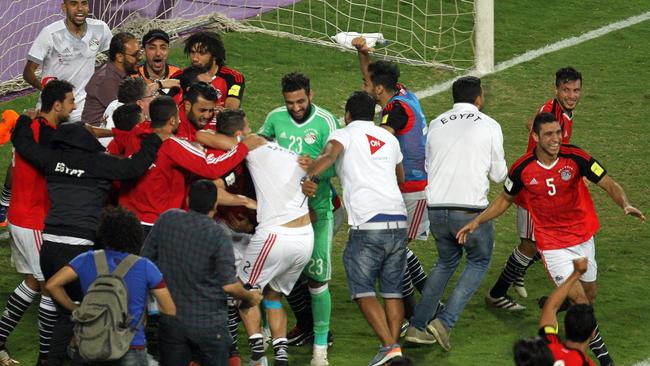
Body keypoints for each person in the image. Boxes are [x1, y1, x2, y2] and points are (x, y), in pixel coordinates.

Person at [457, 112, 645, 366]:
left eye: (558, 132)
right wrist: (477, 221)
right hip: (553, 244)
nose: (556, 139)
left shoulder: (575, 157)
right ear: (535, 137)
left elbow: (607, 182)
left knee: (589, 298)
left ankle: (559, 302)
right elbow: (505, 199)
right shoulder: (522, 168)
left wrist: (625, 203)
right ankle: (605, 360)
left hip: (582, 237)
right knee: (581, 302)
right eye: (549, 134)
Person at [11, 108, 164, 366]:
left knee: (62, 315)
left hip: (49, 250)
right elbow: (135, 167)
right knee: (98, 313)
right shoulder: (99, 162)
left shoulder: (52, 159)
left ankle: (48, 361)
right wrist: (153, 139)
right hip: (81, 250)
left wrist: (25, 119)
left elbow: (23, 143)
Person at [302, 91, 406, 366]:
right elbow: (401, 177)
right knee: (393, 289)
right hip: (398, 219)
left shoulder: (344, 134)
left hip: (368, 222)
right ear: (372, 114)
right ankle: (393, 353)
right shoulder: (389, 138)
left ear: (347, 115)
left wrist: (311, 174)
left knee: (362, 288)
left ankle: (389, 346)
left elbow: (329, 154)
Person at [404, 76, 507, 352]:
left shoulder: (437, 123)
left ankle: (417, 325)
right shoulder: (489, 125)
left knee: (445, 262)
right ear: (479, 98)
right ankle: (444, 323)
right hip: (470, 212)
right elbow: (499, 175)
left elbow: (427, 164)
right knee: (479, 260)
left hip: (436, 211)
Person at [488, 66, 584, 309]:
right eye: (566, 90)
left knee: (548, 242)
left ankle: (519, 275)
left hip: (549, 190)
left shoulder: (556, 112)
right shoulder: (553, 114)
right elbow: (539, 153)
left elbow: (535, 127)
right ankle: (497, 292)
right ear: (557, 89)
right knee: (531, 246)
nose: (572, 95)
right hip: (535, 192)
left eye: (576, 90)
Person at [259, 72, 338, 363]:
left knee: (317, 281)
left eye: (300, 101)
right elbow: (260, 153)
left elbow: (338, 166)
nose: (295, 107)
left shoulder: (327, 122)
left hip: (318, 214)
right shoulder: (274, 118)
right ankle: (267, 332)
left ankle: (320, 350)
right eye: (290, 102)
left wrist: (314, 169)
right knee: (272, 275)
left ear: (311, 95)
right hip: (281, 213)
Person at [141, 180, 263, 366]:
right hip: (209, 324)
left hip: (172, 321)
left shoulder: (167, 219)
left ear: (188, 200)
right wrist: (249, 297)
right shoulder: (218, 235)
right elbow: (229, 286)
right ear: (215, 205)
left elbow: (145, 261)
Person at [352, 36, 430, 323]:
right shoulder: (403, 94)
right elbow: (371, 74)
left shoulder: (395, 111)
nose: (364, 87)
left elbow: (383, 143)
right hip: (405, 188)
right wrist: (363, 54)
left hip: (414, 189)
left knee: (396, 253)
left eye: (367, 85)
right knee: (396, 250)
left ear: (379, 89)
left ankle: (422, 308)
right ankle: (427, 304)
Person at [0, 80, 74, 365]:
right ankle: (46, 358)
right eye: (70, 101)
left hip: (19, 216)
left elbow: (12, 169)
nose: (74, 105)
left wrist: (5, 201)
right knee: (50, 286)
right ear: (57, 105)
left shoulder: (25, 131)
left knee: (32, 281)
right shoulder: (48, 137)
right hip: (33, 221)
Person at [45, 206, 176, 366]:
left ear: (104, 232)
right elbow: (169, 309)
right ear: (136, 235)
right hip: (131, 346)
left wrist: (74, 308)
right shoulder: (145, 266)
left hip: (91, 344)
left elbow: (52, 285)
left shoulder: (85, 259)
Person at [117, 96, 263, 235]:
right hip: (155, 222)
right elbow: (210, 168)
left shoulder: (136, 132)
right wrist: (242, 148)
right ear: (172, 120)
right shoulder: (171, 145)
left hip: (125, 216)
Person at [235, 134, 315, 366]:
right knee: (273, 295)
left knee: (244, 292)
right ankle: (281, 354)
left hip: (278, 236)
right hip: (305, 240)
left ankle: (258, 357)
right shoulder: (297, 160)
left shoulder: (259, 153)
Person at [22, 0, 112, 123]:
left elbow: (115, 58)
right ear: (64, 8)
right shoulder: (50, 34)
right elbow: (28, 72)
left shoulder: (100, 28)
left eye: (84, 3)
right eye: (74, 4)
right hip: (54, 110)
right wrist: (48, 92)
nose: (80, 8)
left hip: (84, 109)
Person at [536, 257, 597, 365]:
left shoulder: (549, 345)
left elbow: (550, 307)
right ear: (593, 334)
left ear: (564, 328)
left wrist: (576, 274)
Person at [82, 32, 141, 125]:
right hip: (99, 135)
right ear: (120, 57)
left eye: (139, 53)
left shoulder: (120, 73)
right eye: (135, 55)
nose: (140, 58)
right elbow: (126, 115)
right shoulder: (107, 79)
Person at [184, 31, 245, 109]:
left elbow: (231, 108)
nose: (195, 58)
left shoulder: (233, 77)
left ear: (214, 55)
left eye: (202, 53)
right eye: (192, 52)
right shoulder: (184, 76)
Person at [100, 77, 156, 147]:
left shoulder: (114, 104)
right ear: (139, 103)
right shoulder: (132, 120)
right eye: (152, 95)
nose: (154, 98)